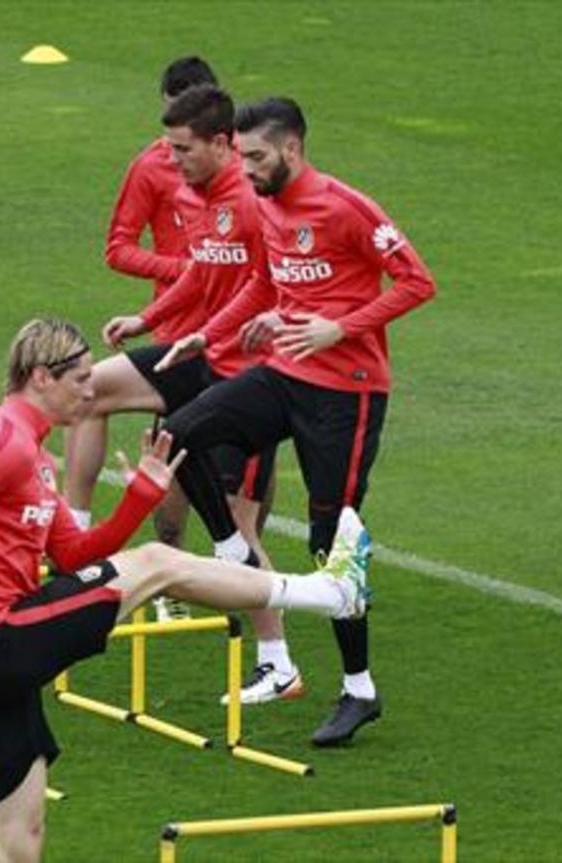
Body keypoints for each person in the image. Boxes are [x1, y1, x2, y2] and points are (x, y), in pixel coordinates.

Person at [0, 318, 372, 863]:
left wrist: (141, 497)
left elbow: (75, 555)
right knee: (157, 562)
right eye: (78, 377)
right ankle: (330, 592)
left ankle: (331, 591)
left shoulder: (34, 457)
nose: (91, 388)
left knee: (19, 841)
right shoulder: (1, 439)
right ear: (39, 378)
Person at [157, 97, 436, 743]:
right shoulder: (262, 204)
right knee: (182, 429)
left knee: (330, 541)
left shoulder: (345, 206)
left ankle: (358, 688)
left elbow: (416, 282)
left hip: (348, 390)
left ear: (292, 149)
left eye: (256, 157)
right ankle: (231, 544)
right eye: (242, 156)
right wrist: (211, 332)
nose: (245, 169)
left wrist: (341, 326)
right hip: (285, 373)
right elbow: (265, 281)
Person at [67, 84, 289, 695]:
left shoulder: (250, 203)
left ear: (222, 144)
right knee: (87, 392)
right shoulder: (196, 196)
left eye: (182, 149)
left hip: (246, 377)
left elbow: (267, 285)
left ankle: (278, 659)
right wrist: (148, 319)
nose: (171, 162)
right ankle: (75, 538)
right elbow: (201, 270)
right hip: (195, 351)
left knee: (238, 531)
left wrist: (220, 331)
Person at [68, 55, 217, 583]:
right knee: (168, 464)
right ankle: (81, 539)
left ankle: (244, 587)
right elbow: (118, 248)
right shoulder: (151, 167)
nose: (177, 150)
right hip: (175, 333)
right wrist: (182, 271)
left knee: (246, 478)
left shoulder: (244, 178)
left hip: (234, 341)